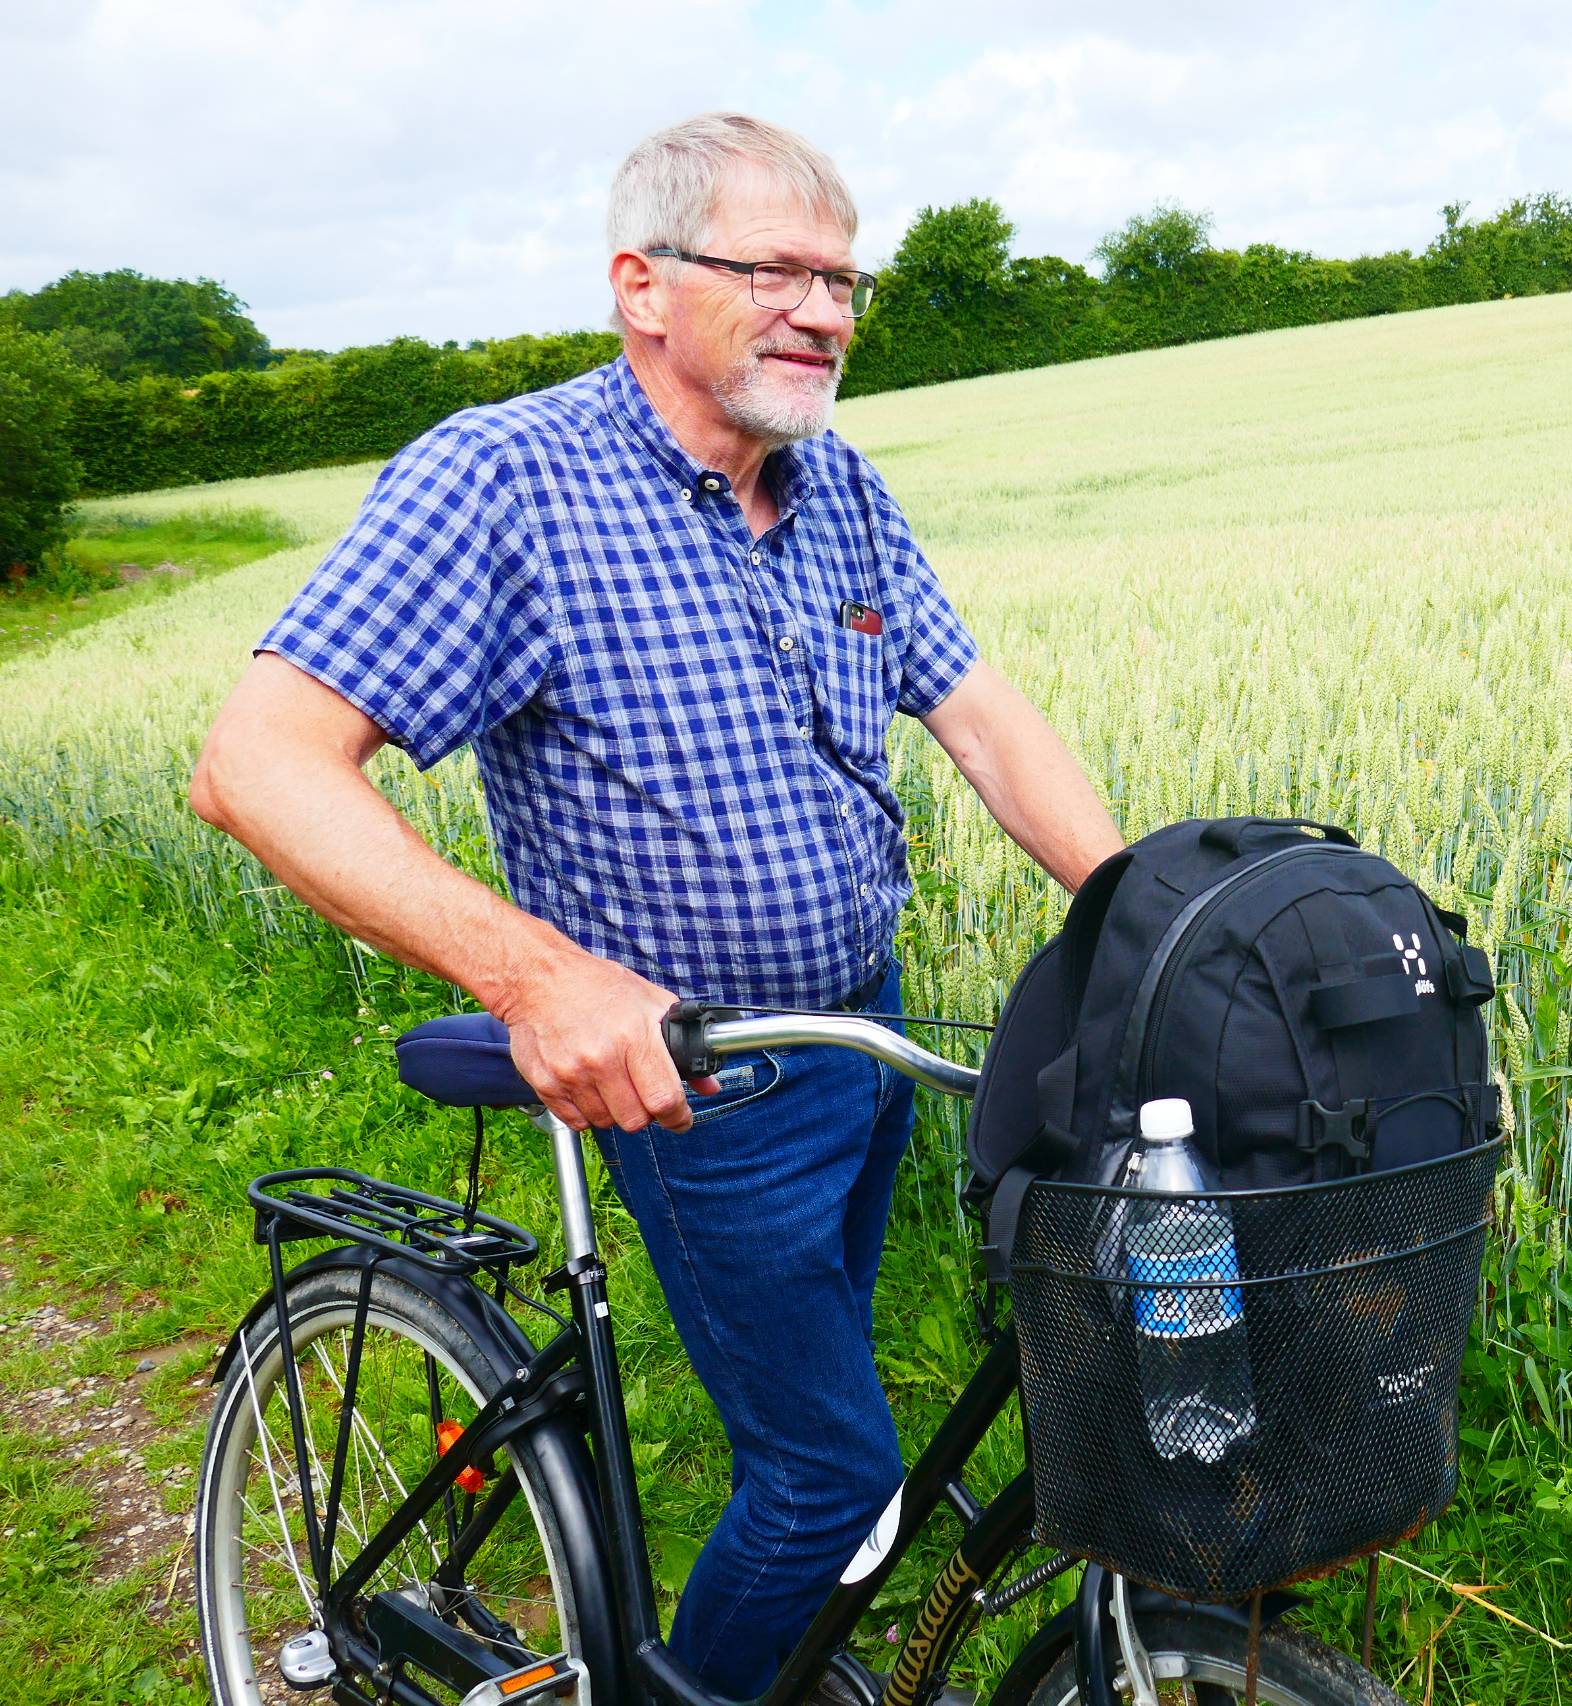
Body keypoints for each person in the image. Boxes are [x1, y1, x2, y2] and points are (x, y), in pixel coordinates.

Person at [190, 111, 1124, 1697]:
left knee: (823, 1418)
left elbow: (977, 712)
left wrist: (1138, 910)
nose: (824, 309)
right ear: (642, 282)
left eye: (843, 276)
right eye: (777, 270)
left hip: (861, 1029)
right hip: (697, 1083)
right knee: (833, 1474)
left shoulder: (831, 486)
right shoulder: (508, 483)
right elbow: (254, 762)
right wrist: (535, 977)